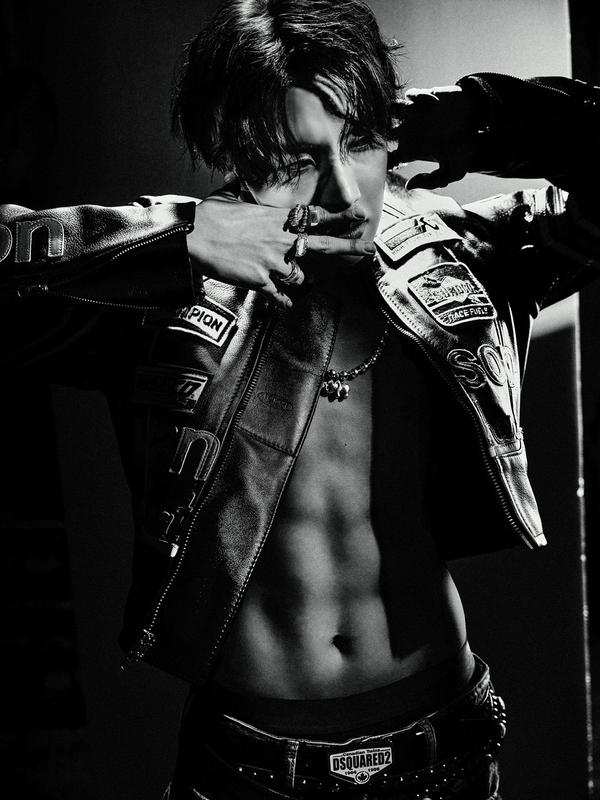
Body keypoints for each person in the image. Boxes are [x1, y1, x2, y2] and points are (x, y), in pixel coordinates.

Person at [2, 1, 600, 797]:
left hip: (447, 745)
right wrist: (175, 241)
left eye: (361, 141)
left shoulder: (462, 257)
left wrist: (477, 116)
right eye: (295, 160)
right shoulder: (159, 291)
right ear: (232, 150)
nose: (346, 194)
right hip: (250, 769)